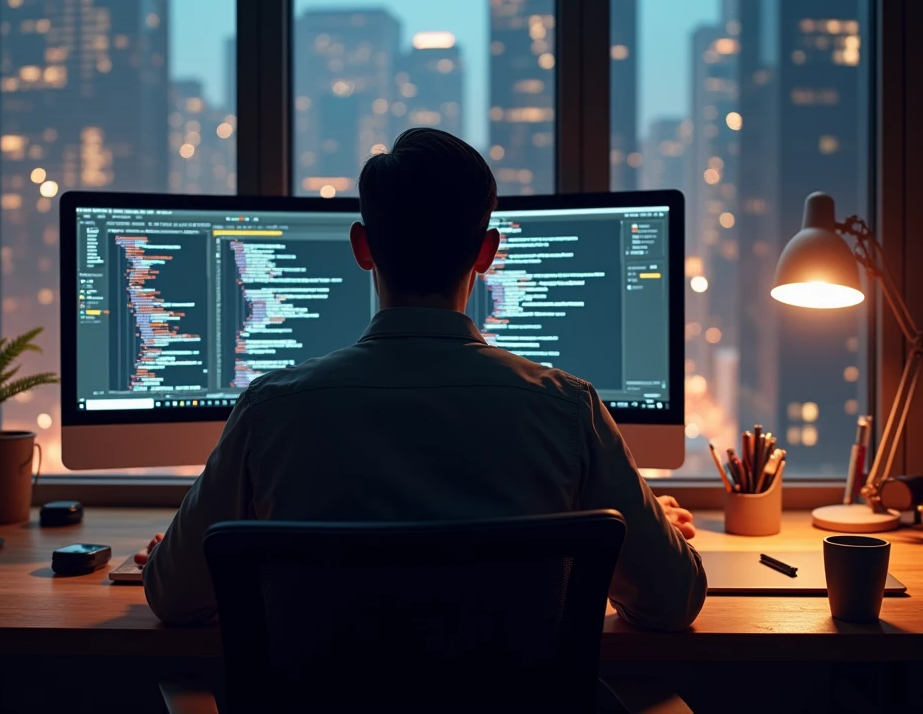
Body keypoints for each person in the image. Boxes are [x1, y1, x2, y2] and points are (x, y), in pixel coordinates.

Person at [140, 127, 706, 630]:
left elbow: (173, 597)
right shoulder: (567, 409)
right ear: (488, 252)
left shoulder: (271, 410)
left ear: (362, 247)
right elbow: (671, 602)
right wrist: (651, 542)